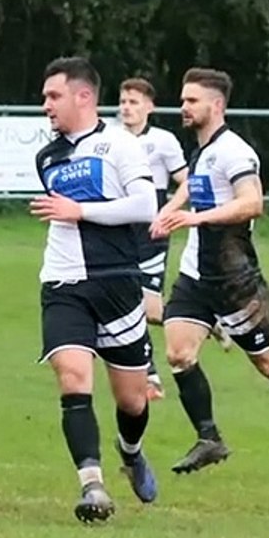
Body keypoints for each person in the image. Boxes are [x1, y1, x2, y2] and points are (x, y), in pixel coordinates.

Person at [151, 67, 269, 479]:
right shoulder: (202, 150)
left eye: (191, 101)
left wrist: (197, 219)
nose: (183, 106)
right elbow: (194, 183)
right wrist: (170, 209)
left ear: (216, 106)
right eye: (183, 100)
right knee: (179, 353)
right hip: (197, 276)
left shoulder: (235, 151)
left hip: (237, 283)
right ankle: (209, 437)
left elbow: (252, 203)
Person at [30, 57, 159, 523]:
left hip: (118, 282)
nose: (46, 105)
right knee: (72, 376)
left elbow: (146, 205)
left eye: (53, 96)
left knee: (132, 400)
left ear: (83, 96)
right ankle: (93, 486)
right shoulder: (48, 157)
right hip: (63, 282)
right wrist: (71, 214)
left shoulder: (119, 145)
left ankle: (131, 451)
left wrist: (80, 211)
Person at [117, 77, 190, 400]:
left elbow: (187, 182)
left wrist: (170, 211)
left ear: (150, 107)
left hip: (152, 230)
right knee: (130, 302)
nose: (127, 108)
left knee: (144, 306)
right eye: (123, 102)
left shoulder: (163, 141)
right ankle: (150, 376)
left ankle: (150, 374)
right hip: (121, 228)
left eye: (133, 102)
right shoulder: (110, 139)